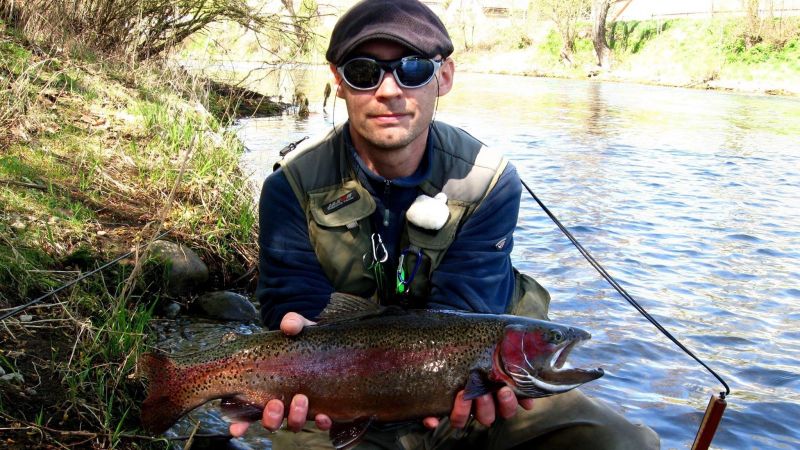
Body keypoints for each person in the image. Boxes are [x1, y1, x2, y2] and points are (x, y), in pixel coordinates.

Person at [233, 0, 660, 448]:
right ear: (339, 82)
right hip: (335, 393)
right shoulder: (291, 185)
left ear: (445, 76)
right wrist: (291, 359)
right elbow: (293, 305)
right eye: (364, 72)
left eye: (413, 69)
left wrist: (453, 384)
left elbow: (468, 310)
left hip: (468, 391)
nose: (389, 90)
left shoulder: (487, 181)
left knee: (624, 443)